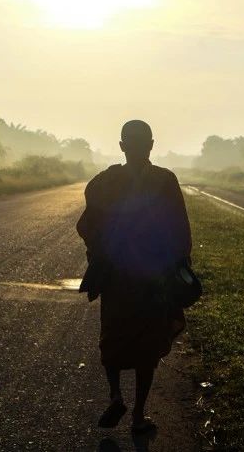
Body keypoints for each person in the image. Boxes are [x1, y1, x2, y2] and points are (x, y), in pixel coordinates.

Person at [76, 120, 192, 433]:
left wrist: (102, 253)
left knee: (112, 337)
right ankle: (139, 415)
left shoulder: (104, 181)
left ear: (122, 146)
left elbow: (86, 226)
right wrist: (180, 265)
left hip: (117, 277)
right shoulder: (165, 180)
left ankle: (115, 395)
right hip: (153, 279)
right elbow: (180, 228)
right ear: (151, 145)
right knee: (149, 345)